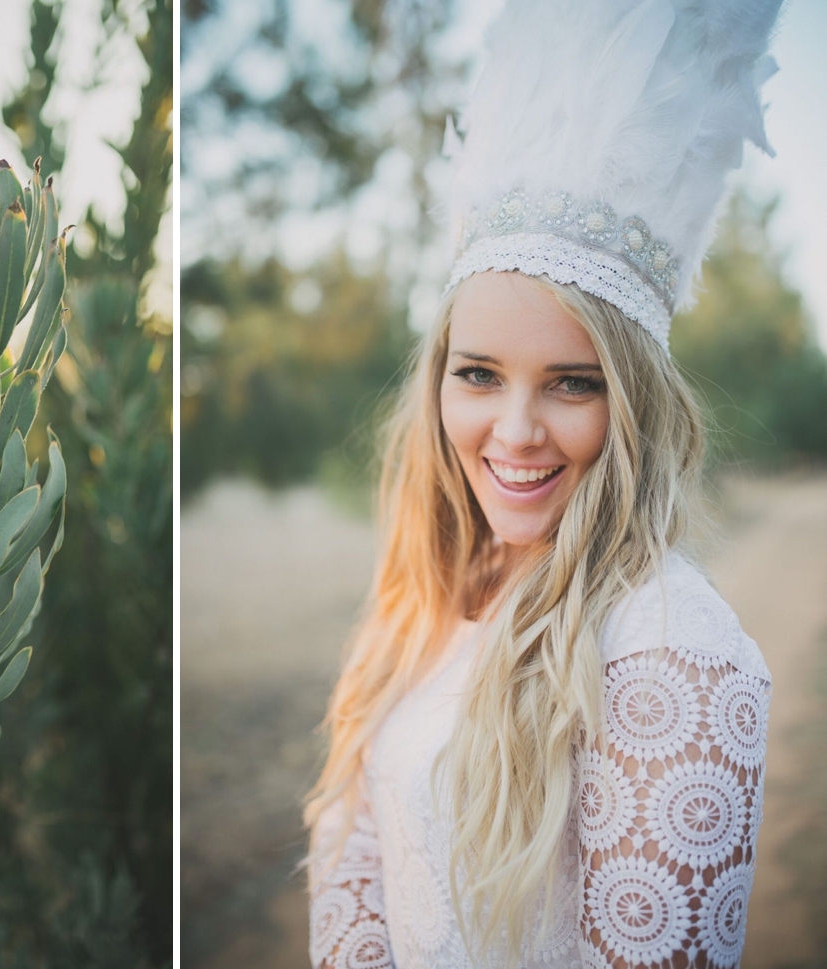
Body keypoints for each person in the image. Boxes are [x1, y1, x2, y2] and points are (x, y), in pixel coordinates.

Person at [303, 1, 781, 967]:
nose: (514, 432)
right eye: (478, 373)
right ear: (436, 376)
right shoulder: (436, 589)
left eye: (573, 382)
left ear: (635, 403)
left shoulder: (668, 645)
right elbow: (355, 851)